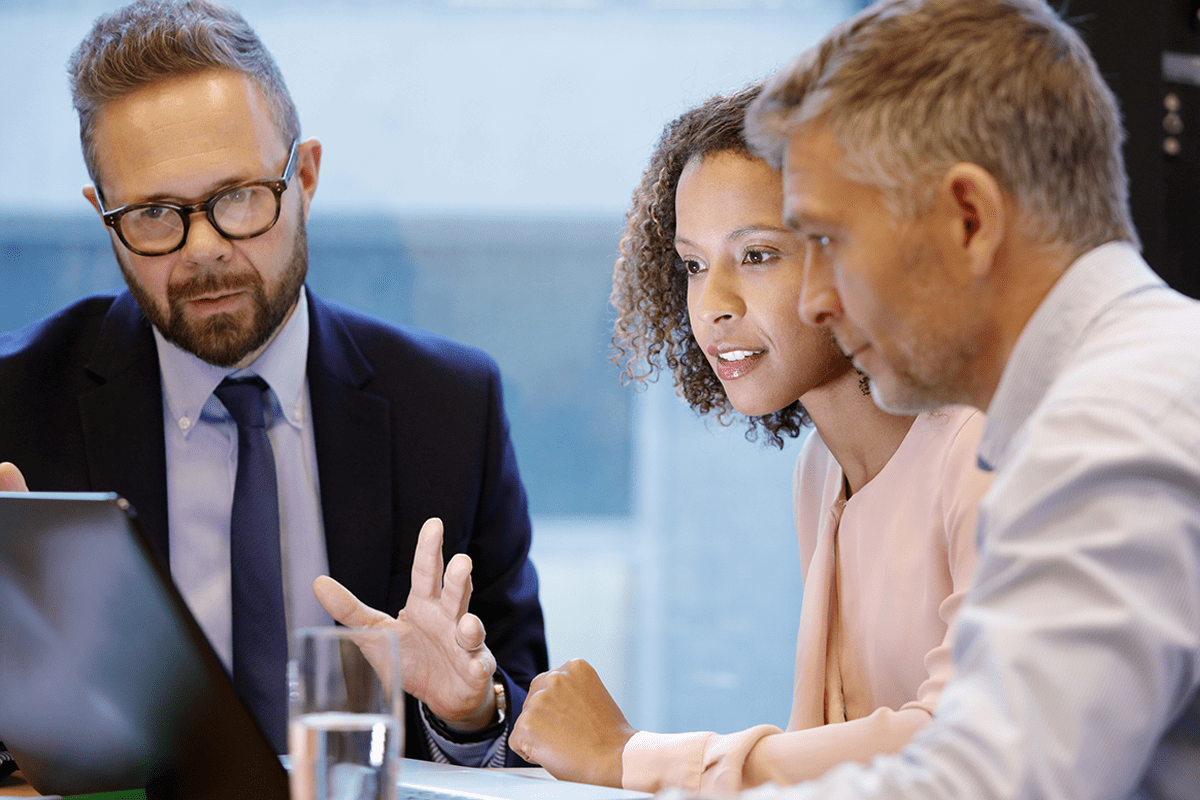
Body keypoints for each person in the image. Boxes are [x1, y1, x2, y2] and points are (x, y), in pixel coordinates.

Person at [0, 0, 546, 767]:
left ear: (306, 177)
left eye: (239, 199)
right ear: (103, 216)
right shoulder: (12, 409)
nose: (203, 251)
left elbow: (527, 727)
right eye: (155, 213)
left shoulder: (451, 409)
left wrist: (466, 711)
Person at [717, 0, 1200, 798]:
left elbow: (989, 786)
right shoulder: (1136, 378)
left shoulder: (1115, 423)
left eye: (830, 242)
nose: (815, 302)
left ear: (969, 218)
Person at [508, 84, 990, 793]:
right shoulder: (820, 469)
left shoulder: (982, 447)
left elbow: (963, 742)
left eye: (757, 255)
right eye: (695, 265)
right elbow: (829, 760)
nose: (713, 306)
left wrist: (632, 756)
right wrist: (480, 706)